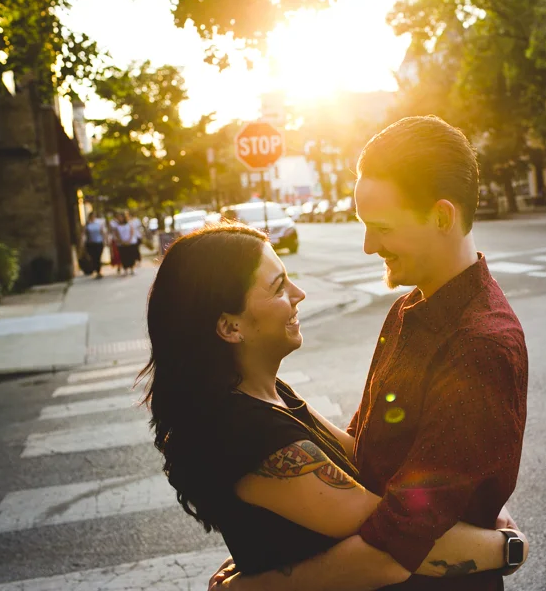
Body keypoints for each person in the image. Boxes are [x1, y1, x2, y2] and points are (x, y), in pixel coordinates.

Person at [211, 115, 529, 591]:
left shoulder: (478, 346)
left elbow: (397, 548)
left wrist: (257, 587)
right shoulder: (410, 308)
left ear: (442, 217)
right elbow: (368, 448)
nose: (367, 246)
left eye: (381, 227)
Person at [141, 223, 529, 591]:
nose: (299, 293)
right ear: (230, 328)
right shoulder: (243, 431)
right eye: (278, 287)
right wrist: (510, 546)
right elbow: (396, 545)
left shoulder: (269, 394)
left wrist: (471, 496)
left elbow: (367, 458)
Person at [81, 212, 106, 279]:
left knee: (98, 257)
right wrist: (82, 243)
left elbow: (102, 232)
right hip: (90, 243)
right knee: (93, 257)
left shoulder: (98, 224)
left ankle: (99, 271)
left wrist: (105, 240)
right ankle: (96, 270)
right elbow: (84, 234)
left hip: (99, 242)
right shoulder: (87, 224)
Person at [116, 211, 138, 275]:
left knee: (130, 256)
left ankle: (131, 268)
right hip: (121, 244)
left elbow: (132, 232)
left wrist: (128, 241)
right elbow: (117, 235)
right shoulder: (117, 226)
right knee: (124, 256)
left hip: (130, 243)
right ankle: (125, 269)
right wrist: (121, 241)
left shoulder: (129, 224)